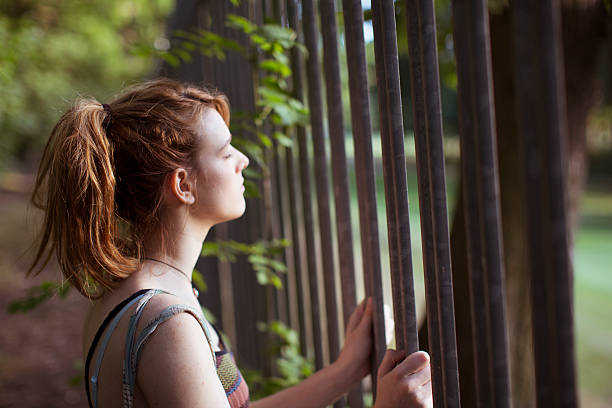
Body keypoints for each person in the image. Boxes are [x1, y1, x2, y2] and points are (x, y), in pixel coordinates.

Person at [30, 78, 432, 408]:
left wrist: (344, 372)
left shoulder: (135, 292)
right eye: (225, 153)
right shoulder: (167, 325)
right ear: (183, 185)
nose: (244, 160)